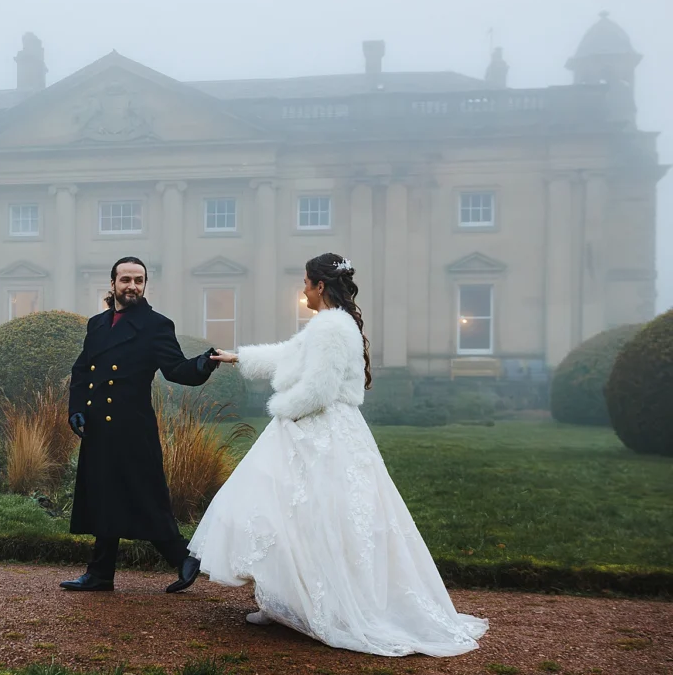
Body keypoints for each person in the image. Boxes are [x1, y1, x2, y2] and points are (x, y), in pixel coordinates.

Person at [191, 253, 488, 657]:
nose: (303, 290)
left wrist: (283, 411)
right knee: (292, 514)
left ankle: (326, 605)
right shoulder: (327, 325)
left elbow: (319, 389)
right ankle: (287, 601)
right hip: (315, 428)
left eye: (306, 283)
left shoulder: (332, 327)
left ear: (319, 286)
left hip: (323, 431)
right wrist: (239, 357)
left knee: (321, 516)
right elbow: (289, 355)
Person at [60, 256, 219, 593]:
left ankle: (184, 557)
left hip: (132, 429)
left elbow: (176, 369)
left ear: (145, 285)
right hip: (99, 429)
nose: (132, 286)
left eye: (139, 280)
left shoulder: (156, 325)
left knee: (146, 498)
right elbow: (82, 370)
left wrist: (203, 363)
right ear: (113, 283)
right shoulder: (97, 325)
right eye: (126, 280)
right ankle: (101, 574)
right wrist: (76, 409)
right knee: (104, 497)